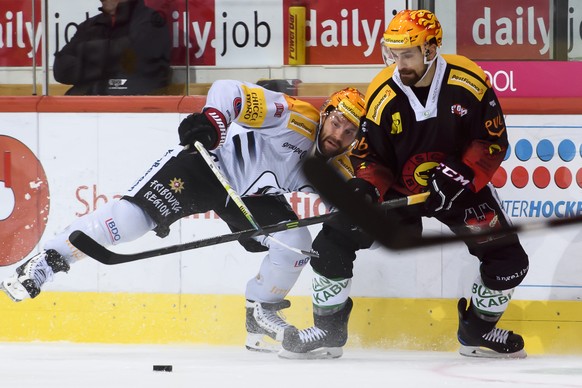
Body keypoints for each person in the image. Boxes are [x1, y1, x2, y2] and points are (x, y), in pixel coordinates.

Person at [0, 79, 366, 353]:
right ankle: (46, 261)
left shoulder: (339, 167)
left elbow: (349, 209)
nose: (339, 134)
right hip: (207, 168)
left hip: (250, 198)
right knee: (128, 221)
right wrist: (213, 123)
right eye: (337, 123)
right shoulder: (295, 117)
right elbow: (230, 92)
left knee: (295, 241)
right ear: (327, 114)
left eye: (349, 132)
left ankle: (260, 313)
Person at [279, 9, 529, 360]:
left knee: (509, 259)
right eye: (393, 54)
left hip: (458, 190)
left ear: (431, 49)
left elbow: (491, 140)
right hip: (399, 191)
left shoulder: (469, 81)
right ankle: (329, 330)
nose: (399, 63)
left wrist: (459, 174)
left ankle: (478, 330)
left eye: (407, 53)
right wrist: (366, 187)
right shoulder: (383, 90)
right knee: (334, 239)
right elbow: (371, 156)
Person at [53, 0, 171, 95]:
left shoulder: (152, 22)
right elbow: (61, 69)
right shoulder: (90, 25)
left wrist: (85, 53)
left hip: (136, 113)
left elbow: (135, 66)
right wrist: (109, 62)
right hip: (85, 113)